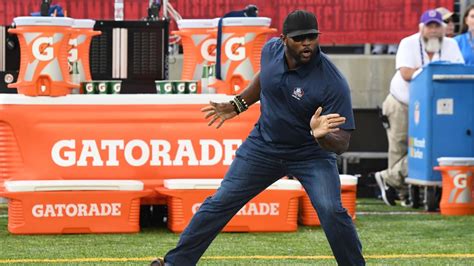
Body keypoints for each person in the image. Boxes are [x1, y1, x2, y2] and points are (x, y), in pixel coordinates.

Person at [151, 10, 365, 266]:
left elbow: (342, 142)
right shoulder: (270, 51)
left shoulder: (332, 82)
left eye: (312, 37)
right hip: (263, 146)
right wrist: (239, 104)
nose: (307, 43)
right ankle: (175, 263)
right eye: (299, 38)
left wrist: (322, 137)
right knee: (220, 201)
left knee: (332, 211)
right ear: (284, 39)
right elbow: (266, 78)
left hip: (311, 154)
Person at [374, 9, 464, 206]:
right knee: (400, 146)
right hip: (403, 102)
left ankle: (389, 179)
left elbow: (457, 72)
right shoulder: (408, 42)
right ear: (421, 28)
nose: (433, 30)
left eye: (436, 26)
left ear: (443, 29)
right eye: (429, 26)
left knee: (428, 146)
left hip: (435, 107)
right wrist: (431, 71)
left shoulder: (451, 45)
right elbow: (406, 73)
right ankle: (401, 193)